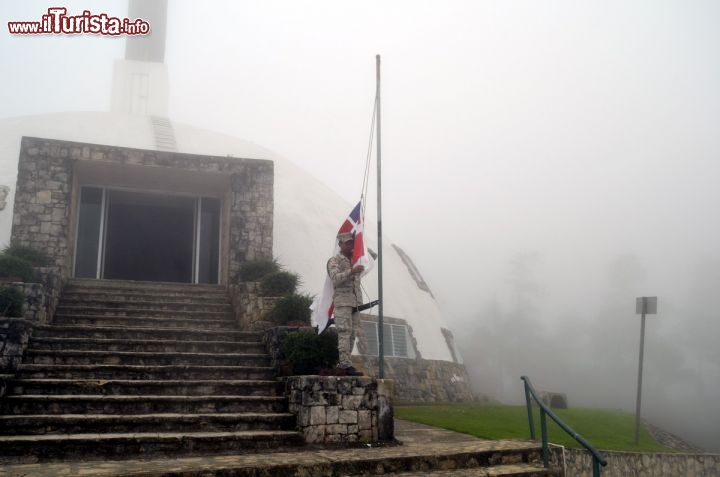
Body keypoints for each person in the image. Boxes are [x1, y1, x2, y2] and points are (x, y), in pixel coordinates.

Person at [327, 231, 365, 376]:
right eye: (347, 242)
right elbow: (335, 278)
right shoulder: (334, 261)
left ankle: (346, 364)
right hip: (343, 303)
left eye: (352, 243)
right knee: (344, 332)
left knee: (352, 334)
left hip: (355, 303)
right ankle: (344, 365)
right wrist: (351, 271)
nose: (350, 245)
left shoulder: (354, 260)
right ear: (340, 244)